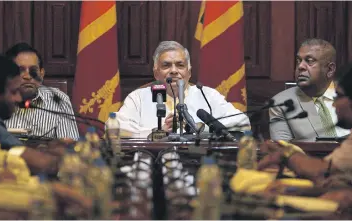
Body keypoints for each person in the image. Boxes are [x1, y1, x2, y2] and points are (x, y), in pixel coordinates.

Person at [113, 41, 250, 138]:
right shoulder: (139, 97)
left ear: (189, 72)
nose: (174, 71)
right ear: (156, 73)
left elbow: (243, 122)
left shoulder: (207, 95)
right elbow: (114, 128)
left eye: (180, 65)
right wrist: (157, 132)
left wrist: (201, 127)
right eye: (166, 65)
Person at [258, 62, 352, 183]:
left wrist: (286, 155)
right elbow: (334, 177)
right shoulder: (282, 101)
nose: (334, 104)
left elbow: (323, 172)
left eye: (338, 96)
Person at [0, 51, 65, 175]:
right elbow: (41, 164)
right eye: (14, 92)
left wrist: (44, 149)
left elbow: (12, 150)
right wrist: (70, 158)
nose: (19, 99)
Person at [269, 39, 350, 141]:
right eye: (298, 61)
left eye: (310, 61)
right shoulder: (281, 104)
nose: (300, 66)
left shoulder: (347, 95)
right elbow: (282, 151)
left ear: (330, 69)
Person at [4, 42, 79, 140]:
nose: (27, 76)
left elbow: (70, 148)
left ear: (41, 74)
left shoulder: (58, 99)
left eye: (33, 70)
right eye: (20, 70)